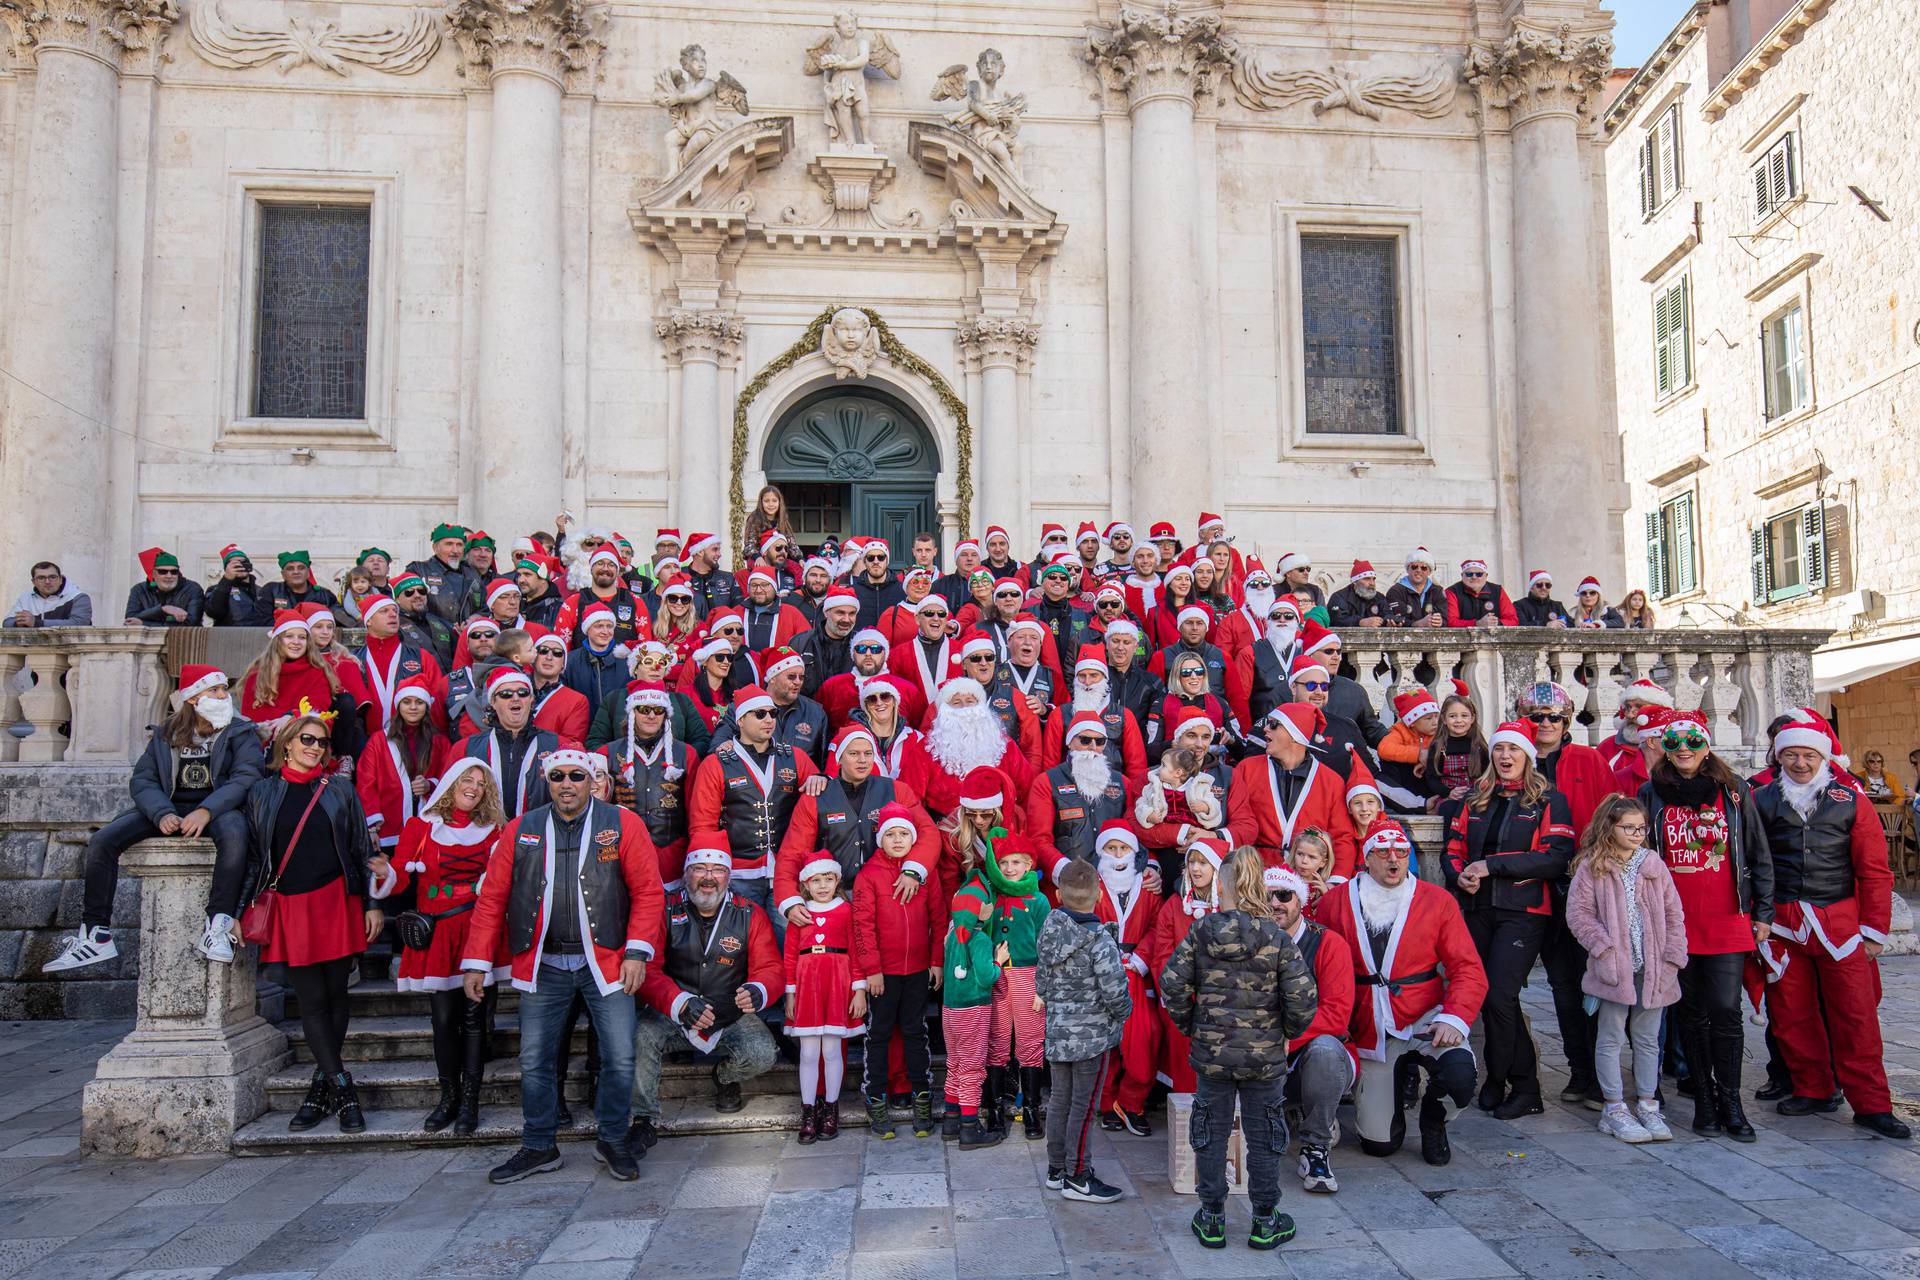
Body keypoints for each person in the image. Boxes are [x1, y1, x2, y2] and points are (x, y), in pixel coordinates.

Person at [463, 749, 664, 1183]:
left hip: (607, 961)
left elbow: (649, 892)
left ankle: (613, 1138)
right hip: (544, 963)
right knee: (535, 1059)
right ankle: (538, 1145)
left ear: (593, 780)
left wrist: (636, 952)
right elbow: (493, 898)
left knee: (621, 1058)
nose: (567, 783)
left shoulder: (622, 823)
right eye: (558, 776)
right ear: (547, 780)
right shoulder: (522, 828)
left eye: (577, 775)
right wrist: (477, 962)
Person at [45, 666, 265, 974]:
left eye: (222, 689)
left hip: (218, 809)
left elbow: (246, 777)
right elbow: (143, 781)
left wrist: (207, 810)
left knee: (236, 834)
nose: (222, 695)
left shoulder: (240, 731)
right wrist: (161, 813)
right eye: (213, 690)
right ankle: (96, 933)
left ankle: (219, 922)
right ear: (192, 698)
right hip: (169, 807)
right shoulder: (166, 733)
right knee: (103, 841)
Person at [1753, 717, 1910, 1139]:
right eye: (1791, 755)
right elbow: (1751, 865)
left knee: (1856, 1016)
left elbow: (1875, 870)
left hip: (1839, 923)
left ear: (1823, 758)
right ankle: (1814, 1088)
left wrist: (1875, 929)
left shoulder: (1851, 799)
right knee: (1790, 1015)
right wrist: (1758, 919)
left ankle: (1873, 1104)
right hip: (1783, 924)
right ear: (1778, 756)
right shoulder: (1761, 799)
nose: (1800, 763)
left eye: (1808, 755)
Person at [1159, 846, 1317, 1252]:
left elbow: (1172, 984)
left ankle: (1212, 1216)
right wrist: (1285, 1032)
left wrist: (1192, 1026)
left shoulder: (1201, 931)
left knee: (1210, 1132)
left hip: (1212, 1056)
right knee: (1264, 1135)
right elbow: (1302, 999)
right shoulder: (1278, 938)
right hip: (1264, 1058)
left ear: (1221, 886)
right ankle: (1265, 1220)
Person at [1316, 817, 1485, 1166]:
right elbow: (1320, 967)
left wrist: (1454, 1018)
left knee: (1460, 1076)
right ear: (1367, 856)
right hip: (1369, 1026)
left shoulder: (1437, 901)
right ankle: (1394, 1089)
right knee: (1378, 1145)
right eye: (1383, 852)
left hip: (1425, 1014)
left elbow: (1468, 969)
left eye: (1401, 852)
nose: (1394, 859)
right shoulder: (1335, 902)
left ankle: (1434, 1120)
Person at [1636, 708, 1773, 1141]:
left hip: (1727, 916)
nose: (1683, 750)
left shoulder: (1733, 791)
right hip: (1674, 920)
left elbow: (1757, 851)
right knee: (1690, 1014)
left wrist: (1763, 912)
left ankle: (1732, 1101)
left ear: (1706, 745)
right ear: (1663, 747)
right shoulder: (1650, 792)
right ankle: (1706, 1102)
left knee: (1726, 1011)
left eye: (1692, 741)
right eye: (1673, 742)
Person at [244, 710, 382, 1134]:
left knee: (337, 995)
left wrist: (372, 904)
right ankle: (342, 1088)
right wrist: (232, 910)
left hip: (337, 899)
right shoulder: (263, 793)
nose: (314, 748)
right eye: (307, 740)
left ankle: (319, 1091)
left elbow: (361, 846)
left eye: (321, 742)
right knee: (311, 1000)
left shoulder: (340, 789)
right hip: (291, 905)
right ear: (287, 742)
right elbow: (253, 856)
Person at [1440, 720, 1573, 1120]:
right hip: (1478, 910)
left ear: (1527, 756)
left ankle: (1523, 1085)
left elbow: (1556, 857)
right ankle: (1498, 1081)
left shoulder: (1549, 799)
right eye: (1500, 750)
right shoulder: (1476, 798)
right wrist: (1459, 874)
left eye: (1514, 750)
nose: (1505, 756)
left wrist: (1490, 866)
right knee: (1485, 996)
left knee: (1500, 995)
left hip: (1524, 912)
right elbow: (1453, 847)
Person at [367, 758, 506, 1134]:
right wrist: (385, 875)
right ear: (450, 783)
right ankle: (449, 1098)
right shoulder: (421, 827)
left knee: (476, 1020)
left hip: (478, 933)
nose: (474, 787)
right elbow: (398, 877)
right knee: (443, 1020)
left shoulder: (494, 832)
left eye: (481, 782)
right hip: (438, 936)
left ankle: (470, 1103)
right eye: (467, 780)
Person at [1515, 680, 1619, 1106]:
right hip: (1534, 887)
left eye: (1553, 717)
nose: (1545, 724)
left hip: (1584, 884)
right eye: (1536, 717)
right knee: (1560, 984)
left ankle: (1598, 1075)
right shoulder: (1513, 760)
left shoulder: (1588, 759)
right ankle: (1579, 1070)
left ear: (1567, 720)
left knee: (1591, 980)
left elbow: (1614, 815)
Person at [1565, 795, 1685, 1144]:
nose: (1636, 834)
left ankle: (1648, 1103)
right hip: (1614, 968)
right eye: (1628, 827)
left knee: (1648, 1039)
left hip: (1654, 966)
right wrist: (1603, 948)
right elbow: (1579, 914)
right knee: (1612, 1036)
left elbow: (1674, 912)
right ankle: (1614, 1107)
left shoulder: (1653, 865)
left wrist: (1674, 954)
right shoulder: (1593, 866)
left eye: (1641, 828)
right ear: (1609, 827)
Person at [1035, 859, 1131, 1204]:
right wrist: (1123, 1014)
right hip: (1092, 1040)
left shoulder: (1049, 930)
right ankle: (1078, 1175)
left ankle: (1056, 1169)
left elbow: (1041, 984)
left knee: (1060, 1100)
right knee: (1084, 1106)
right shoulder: (1099, 941)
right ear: (1099, 893)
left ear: (1059, 895)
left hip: (1058, 1036)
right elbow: (1115, 991)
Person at [853, 804, 945, 1139]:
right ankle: (876, 1099)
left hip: (919, 970)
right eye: (890, 834)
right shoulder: (869, 875)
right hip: (883, 975)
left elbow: (938, 918)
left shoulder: (925, 873)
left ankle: (922, 1097)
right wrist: (872, 970)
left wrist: (936, 961)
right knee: (878, 1034)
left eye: (904, 834)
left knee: (914, 1032)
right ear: (880, 838)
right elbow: (862, 926)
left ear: (913, 838)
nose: (897, 840)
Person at [1264, 863, 1356, 1194]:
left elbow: (1336, 1014)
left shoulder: (1328, 944)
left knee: (1327, 1052)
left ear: (1300, 900)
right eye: (1267, 895)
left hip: (1308, 1052)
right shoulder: (1251, 941)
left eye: (1284, 895)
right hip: (1262, 1053)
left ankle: (1316, 1146)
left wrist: (1284, 1036)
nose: (1275, 903)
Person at [780, 858, 864, 1144]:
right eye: (816, 880)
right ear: (805, 884)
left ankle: (830, 1108)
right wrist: (790, 992)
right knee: (808, 1052)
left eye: (828, 879)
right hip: (807, 985)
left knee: (831, 1050)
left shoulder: (846, 911)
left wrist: (859, 990)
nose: (823, 886)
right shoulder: (799, 915)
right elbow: (790, 956)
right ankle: (807, 1110)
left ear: (837, 881)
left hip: (837, 982)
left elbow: (856, 951)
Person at [1226, 703, 1357, 876]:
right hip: (1254, 877)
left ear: (1295, 734)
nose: (1265, 729)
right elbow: (1234, 822)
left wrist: (1335, 881)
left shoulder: (1331, 781)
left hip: (1307, 881)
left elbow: (1342, 838)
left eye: (1273, 724)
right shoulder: (1246, 769)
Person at [1086, 823, 1157, 1139]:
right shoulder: (1092, 886)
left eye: (1123, 849)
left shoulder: (1149, 887)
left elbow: (1159, 927)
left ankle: (1131, 1102)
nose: (1117, 856)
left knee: (1142, 1039)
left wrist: (1141, 958)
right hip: (1100, 974)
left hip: (1135, 974)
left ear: (1134, 852)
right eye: (1110, 849)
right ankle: (1106, 1103)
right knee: (1104, 1043)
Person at [942, 821, 1007, 1149]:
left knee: (954, 1063)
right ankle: (970, 1125)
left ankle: (951, 1119)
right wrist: (998, 961)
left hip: (949, 1011)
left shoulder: (952, 935)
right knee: (971, 1067)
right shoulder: (979, 938)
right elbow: (987, 976)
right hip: (973, 1011)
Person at [241, 612, 363, 760]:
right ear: (278, 640)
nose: (296, 642)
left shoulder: (317, 669)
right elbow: (250, 715)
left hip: (304, 736)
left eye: (302, 637)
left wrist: (290, 717)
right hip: (268, 741)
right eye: (289, 636)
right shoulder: (257, 674)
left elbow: (318, 703)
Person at [356, 677, 453, 850]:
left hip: (429, 827)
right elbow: (366, 783)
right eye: (407, 702)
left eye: (419, 702)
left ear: (427, 706)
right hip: (388, 829)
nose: (413, 707)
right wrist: (372, 827)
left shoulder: (440, 742)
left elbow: (450, 778)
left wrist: (429, 785)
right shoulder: (378, 741)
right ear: (398, 705)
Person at [1376, 690, 1441, 813]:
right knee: (1390, 763)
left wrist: (1426, 760)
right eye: (1428, 718)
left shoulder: (1438, 733)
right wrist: (1418, 755)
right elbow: (1384, 749)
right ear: (1412, 723)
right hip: (1405, 780)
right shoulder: (1400, 731)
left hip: (1426, 779)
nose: (1435, 722)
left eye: (1436, 717)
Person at [1422, 693, 1488, 810]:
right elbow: (1432, 778)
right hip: (1449, 797)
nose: (1459, 720)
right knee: (1449, 809)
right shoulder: (1438, 746)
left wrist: (1477, 791)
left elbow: (1487, 774)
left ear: (1472, 718)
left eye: (1464, 716)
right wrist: (1448, 792)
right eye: (1453, 716)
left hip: (1475, 796)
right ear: (1444, 719)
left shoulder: (1478, 746)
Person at [528, 633, 591, 743]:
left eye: (557, 653)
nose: (549, 657)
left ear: (563, 664)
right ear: (534, 657)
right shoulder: (515, 690)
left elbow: (571, 744)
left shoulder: (576, 701)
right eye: (543, 651)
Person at [124, 547, 204, 627]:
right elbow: (130, 620)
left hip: (183, 638)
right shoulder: (139, 590)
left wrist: (143, 623)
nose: (169, 576)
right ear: (153, 574)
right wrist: (164, 609)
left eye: (174, 572)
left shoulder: (192, 589)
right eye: (163, 572)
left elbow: (192, 623)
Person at [392, 572, 457, 669]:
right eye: (409, 592)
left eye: (421, 591)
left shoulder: (440, 622)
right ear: (397, 599)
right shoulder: (394, 628)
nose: (417, 595)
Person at [203, 545, 273, 627]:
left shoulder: (260, 591)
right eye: (235, 564)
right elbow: (214, 612)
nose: (241, 566)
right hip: (230, 638)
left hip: (256, 637)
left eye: (243, 562)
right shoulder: (216, 590)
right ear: (227, 569)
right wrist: (226, 580)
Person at [8, 560, 91, 627]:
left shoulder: (78, 597)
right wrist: (19, 622)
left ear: (61, 579)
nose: (47, 582)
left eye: (52, 577)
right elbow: (7, 623)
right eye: (41, 578)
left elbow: (80, 623)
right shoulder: (25, 598)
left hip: (67, 647)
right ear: (34, 582)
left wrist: (37, 623)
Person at [1444, 559, 1518, 628]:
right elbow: (1450, 622)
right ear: (1462, 575)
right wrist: (1477, 623)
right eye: (1469, 574)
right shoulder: (1452, 592)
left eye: (1479, 574)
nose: (1474, 577)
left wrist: (1497, 622)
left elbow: (1513, 620)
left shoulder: (1498, 591)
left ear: (1486, 576)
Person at [1385, 547, 1446, 628]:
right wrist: (1417, 624)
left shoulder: (1437, 591)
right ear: (1408, 569)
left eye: (1423, 568)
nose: (1418, 570)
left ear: (1429, 571)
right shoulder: (1396, 591)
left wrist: (1440, 622)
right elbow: (1397, 619)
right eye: (1414, 566)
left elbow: (1445, 618)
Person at [264, 550, 339, 612]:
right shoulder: (272, 591)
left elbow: (338, 615)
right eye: (290, 568)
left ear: (308, 572)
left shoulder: (325, 595)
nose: (296, 572)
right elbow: (261, 620)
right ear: (283, 574)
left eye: (301, 568)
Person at [1326, 560, 1393, 628]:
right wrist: (1359, 622)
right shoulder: (1339, 597)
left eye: (1373, 579)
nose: (1372, 583)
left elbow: (1386, 614)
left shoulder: (1379, 597)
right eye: (1367, 579)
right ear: (1355, 582)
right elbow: (1336, 621)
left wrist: (1389, 622)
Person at [741, 484, 796, 562]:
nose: (771, 504)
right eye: (767, 501)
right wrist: (757, 557)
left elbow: (791, 542)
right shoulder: (754, 518)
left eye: (774, 501)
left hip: (779, 560)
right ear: (761, 502)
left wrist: (799, 558)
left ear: (779, 502)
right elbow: (750, 544)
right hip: (759, 560)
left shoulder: (782, 519)